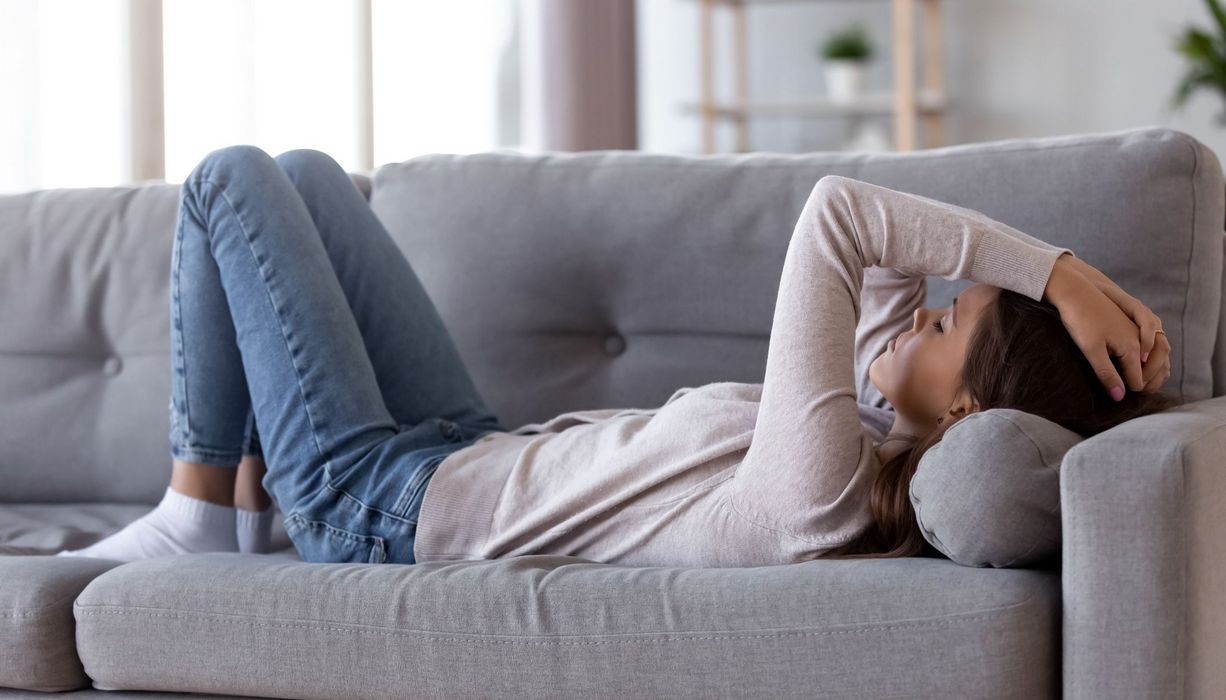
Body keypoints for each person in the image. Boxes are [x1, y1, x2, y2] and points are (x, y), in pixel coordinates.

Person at [58, 151, 1178, 567]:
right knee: (305, 174)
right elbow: (892, 280)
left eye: (942, 327)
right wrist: (1040, 287)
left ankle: (202, 512)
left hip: (380, 514)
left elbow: (841, 218)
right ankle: (244, 511)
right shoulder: (884, 424)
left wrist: (1061, 270)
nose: (917, 316)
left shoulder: (819, 489)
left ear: (967, 408)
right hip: (463, 447)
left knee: (230, 182)